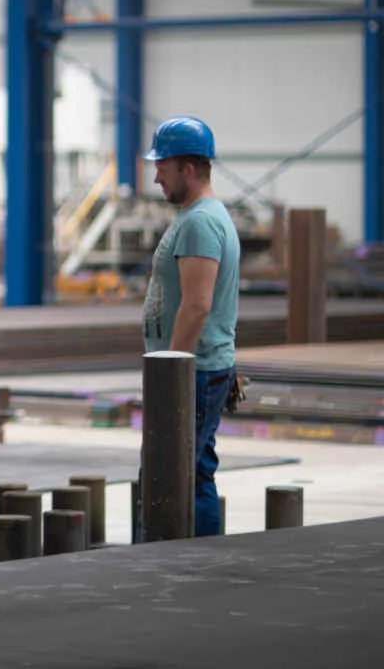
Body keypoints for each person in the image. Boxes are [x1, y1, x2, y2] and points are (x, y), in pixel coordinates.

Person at [141, 115, 241, 537]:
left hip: (191, 373)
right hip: (199, 369)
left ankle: (184, 568)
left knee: (171, 473)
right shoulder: (199, 217)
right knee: (193, 471)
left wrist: (170, 376)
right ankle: (197, 567)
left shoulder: (200, 222)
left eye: (162, 165)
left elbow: (199, 306)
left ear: (189, 167)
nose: (156, 176)